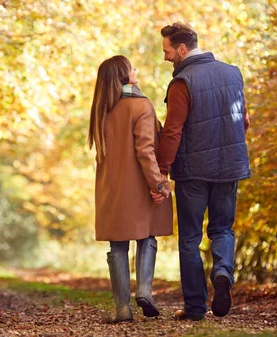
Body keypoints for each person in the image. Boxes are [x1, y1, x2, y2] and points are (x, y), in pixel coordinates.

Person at [154, 23, 251, 320]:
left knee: (190, 240)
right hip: (230, 166)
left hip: (193, 172)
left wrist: (160, 171)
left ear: (182, 49)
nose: (166, 57)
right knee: (222, 229)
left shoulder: (183, 82)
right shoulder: (233, 73)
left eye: (167, 51)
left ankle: (195, 307)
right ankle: (222, 271)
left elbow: (173, 132)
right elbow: (244, 121)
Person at [88, 55, 173, 323]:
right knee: (146, 236)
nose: (136, 70)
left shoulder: (102, 109)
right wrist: (158, 183)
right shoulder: (141, 106)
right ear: (124, 76)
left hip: (111, 189)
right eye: (131, 68)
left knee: (118, 244)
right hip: (140, 185)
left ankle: (122, 308)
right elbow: (146, 151)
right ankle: (145, 291)